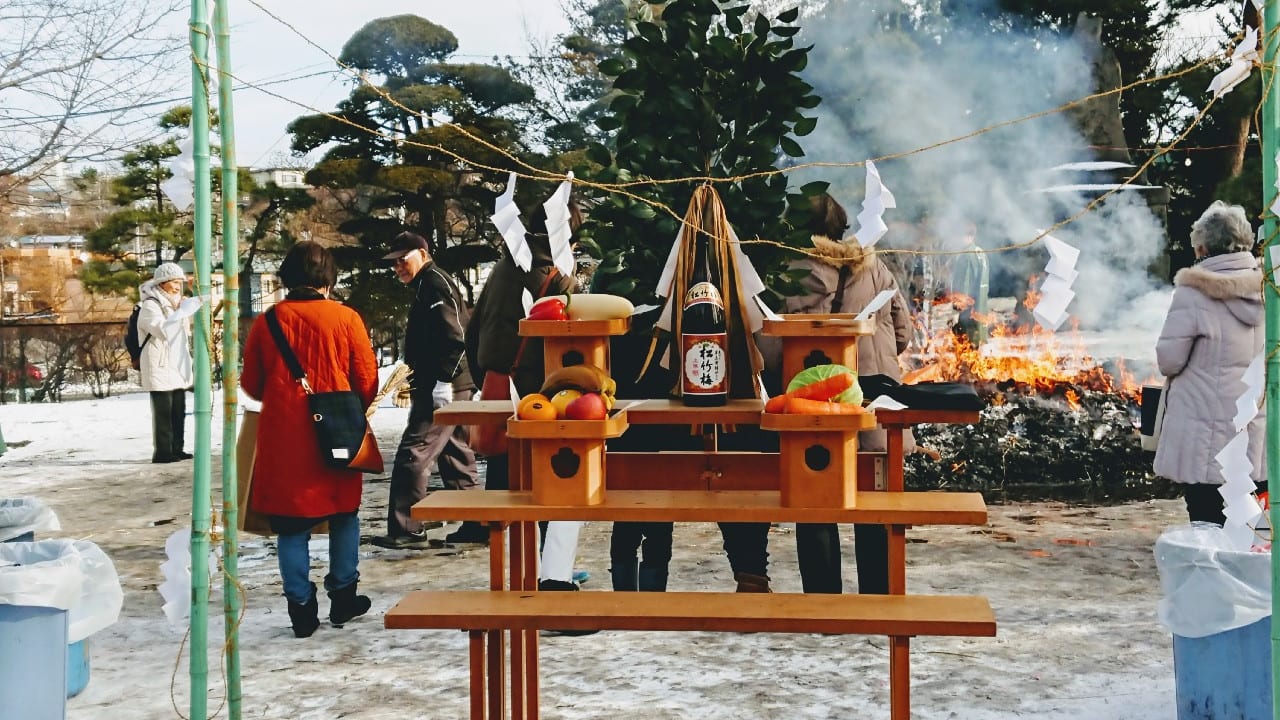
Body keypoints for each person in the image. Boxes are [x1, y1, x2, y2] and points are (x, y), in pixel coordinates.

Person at [768, 193, 913, 595]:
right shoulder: (875, 266)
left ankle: (823, 600)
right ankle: (878, 597)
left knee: (814, 500)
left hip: (813, 405)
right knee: (875, 501)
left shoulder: (788, 272)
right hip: (875, 399)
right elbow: (903, 333)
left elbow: (770, 348)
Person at [241, 241, 380, 638]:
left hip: (284, 438)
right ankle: (343, 597)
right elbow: (366, 380)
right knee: (343, 514)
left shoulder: (267, 322)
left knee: (291, 526)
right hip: (337, 432)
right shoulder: (346, 318)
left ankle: (301, 609)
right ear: (328, 278)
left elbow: (251, 384)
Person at [465, 201, 586, 592]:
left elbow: (473, 329)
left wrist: (487, 377)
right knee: (560, 485)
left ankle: (520, 577)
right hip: (543, 397)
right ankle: (552, 579)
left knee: (508, 490)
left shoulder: (503, 268)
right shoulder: (557, 277)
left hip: (497, 386)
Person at [1154, 201, 1265, 525]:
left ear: (1202, 246)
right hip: (1255, 429)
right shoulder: (1268, 287)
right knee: (1251, 528)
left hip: (1205, 439)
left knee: (1207, 526)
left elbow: (1169, 361)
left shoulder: (1193, 293)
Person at [372, 231, 479, 549]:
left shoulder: (434, 283)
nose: (398, 268)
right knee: (455, 453)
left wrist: (444, 380)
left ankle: (408, 527)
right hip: (449, 382)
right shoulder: (428, 283)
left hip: (444, 383)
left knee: (414, 452)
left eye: (403, 260)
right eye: (394, 264)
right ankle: (478, 521)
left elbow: (456, 336)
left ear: (422, 253)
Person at [136, 262, 200, 463]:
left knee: (178, 409)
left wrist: (183, 310)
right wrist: (181, 312)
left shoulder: (175, 303)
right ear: (162, 283)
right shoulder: (150, 305)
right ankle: (163, 452)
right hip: (159, 364)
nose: (177, 286)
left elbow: (183, 333)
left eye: (180, 282)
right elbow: (162, 330)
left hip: (175, 362)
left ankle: (177, 448)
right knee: (164, 412)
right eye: (174, 282)